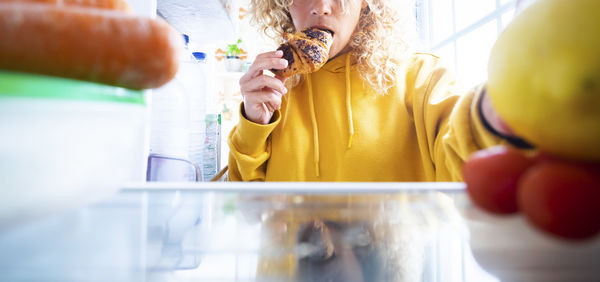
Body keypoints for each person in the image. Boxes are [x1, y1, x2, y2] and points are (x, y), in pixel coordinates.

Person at [227, 0, 526, 182]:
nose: (321, 6)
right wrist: (254, 126)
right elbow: (248, 210)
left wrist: (495, 109)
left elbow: (465, 171)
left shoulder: (422, 78)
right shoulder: (274, 91)